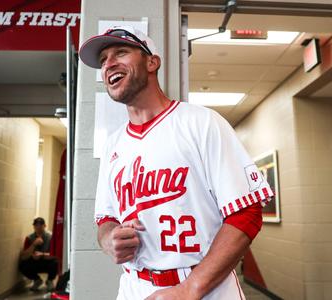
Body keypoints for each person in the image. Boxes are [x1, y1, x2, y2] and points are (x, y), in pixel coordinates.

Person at [79, 26, 274, 300]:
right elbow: (106, 219)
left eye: (120, 52)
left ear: (151, 62)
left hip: (205, 286)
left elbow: (247, 212)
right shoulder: (113, 143)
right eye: (103, 60)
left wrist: (189, 289)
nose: (109, 63)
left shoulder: (200, 122)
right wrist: (110, 239)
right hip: (135, 285)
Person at [19, 217, 58, 292]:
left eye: (41, 225)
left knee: (56, 263)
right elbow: (23, 257)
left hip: (47, 262)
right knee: (22, 265)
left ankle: (50, 281)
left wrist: (42, 254)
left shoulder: (51, 237)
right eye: (36, 225)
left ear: (45, 226)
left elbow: (55, 255)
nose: (38, 227)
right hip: (35, 262)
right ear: (33, 226)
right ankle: (37, 280)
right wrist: (33, 245)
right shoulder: (29, 238)